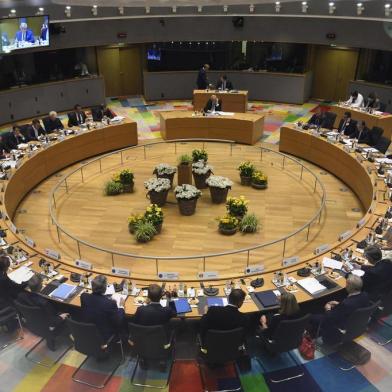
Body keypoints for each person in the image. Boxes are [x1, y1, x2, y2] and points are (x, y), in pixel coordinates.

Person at [310, 275, 369, 345]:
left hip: (337, 327)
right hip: (354, 325)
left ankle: (315, 336)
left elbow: (330, 318)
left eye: (347, 284)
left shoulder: (346, 304)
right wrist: (339, 304)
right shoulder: (365, 295)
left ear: (350, 286)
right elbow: (353, 307)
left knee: (311, 315)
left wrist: (327, 308)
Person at [17, 274, 68, 350]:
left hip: (32, 325)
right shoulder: (44, 303)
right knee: (69, 313)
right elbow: (52, 321)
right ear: (40, 286)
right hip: (49, 326)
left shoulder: (21, 296)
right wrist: (61, 317)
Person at [80, 275, 126, 341]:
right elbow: (119, 321)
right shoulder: (110, 303)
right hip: (105, 335)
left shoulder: (83, 296)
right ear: (105, 288)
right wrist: (121, 306)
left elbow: (96, 305)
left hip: (88, 331)